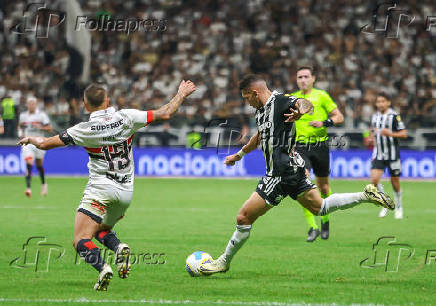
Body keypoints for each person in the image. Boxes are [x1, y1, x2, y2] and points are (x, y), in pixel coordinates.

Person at [198, 74, 393, 275]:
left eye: (247, 98)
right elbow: (259, 137)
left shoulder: (281, 101)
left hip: (280, 174)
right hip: (293, 169)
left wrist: (300, 111)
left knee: (243, 217)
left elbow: (305, 103)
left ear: (255, 93)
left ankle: (223, 261)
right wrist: (238, 155)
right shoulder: (261, 112)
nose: (247, 103)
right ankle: (364, 195)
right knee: (320, 207)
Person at [18, 80, 196, 291]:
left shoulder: (84, 129)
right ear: (108, 101)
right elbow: (166, 113)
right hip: (125, 192)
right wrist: (181, 94)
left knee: (80, 239)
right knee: (102, 229)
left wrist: (30, 138)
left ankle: (103, 268)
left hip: (100, 189)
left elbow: (46, 144)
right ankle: (119, 247)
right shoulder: (127, 116)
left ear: (85, 106)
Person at [289, 65, 344, 242]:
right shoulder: (293, 98)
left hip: (320, 146)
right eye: (299, 77)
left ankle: (325, 221)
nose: (303, 80)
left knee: (324, 188)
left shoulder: (322, 96)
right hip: (300, 147)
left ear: (313, 78)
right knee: (303, 182)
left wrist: (324, 123)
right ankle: (312, 227)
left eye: (306, 76)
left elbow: (339, 117)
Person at [369, 93, 407, 219]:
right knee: (374, 181)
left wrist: (390, 134)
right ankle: (386, 203)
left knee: (394, 181)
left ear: (388, 103)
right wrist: (371, 138)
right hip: (378, 153)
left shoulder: (395, 116)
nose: (380, 104)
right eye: (378, 101)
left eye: (383, 101)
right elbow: (373, 131)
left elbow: (404, 134)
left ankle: (399, 206)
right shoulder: (374, 117)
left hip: (393, 154)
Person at [18, 97, 53, 197]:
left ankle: (43, 184)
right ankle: (28, 188)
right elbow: (20, 126)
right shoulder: (23, 115)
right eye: (29, 104)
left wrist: (40, 127)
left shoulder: (41, 115)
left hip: (39, 142)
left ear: (36, 105)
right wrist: (20, 134)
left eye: (33, 104)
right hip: (27, 142)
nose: (31, 105)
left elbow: (49, 128)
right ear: (27, 105)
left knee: (39, 166)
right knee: (29, 162)